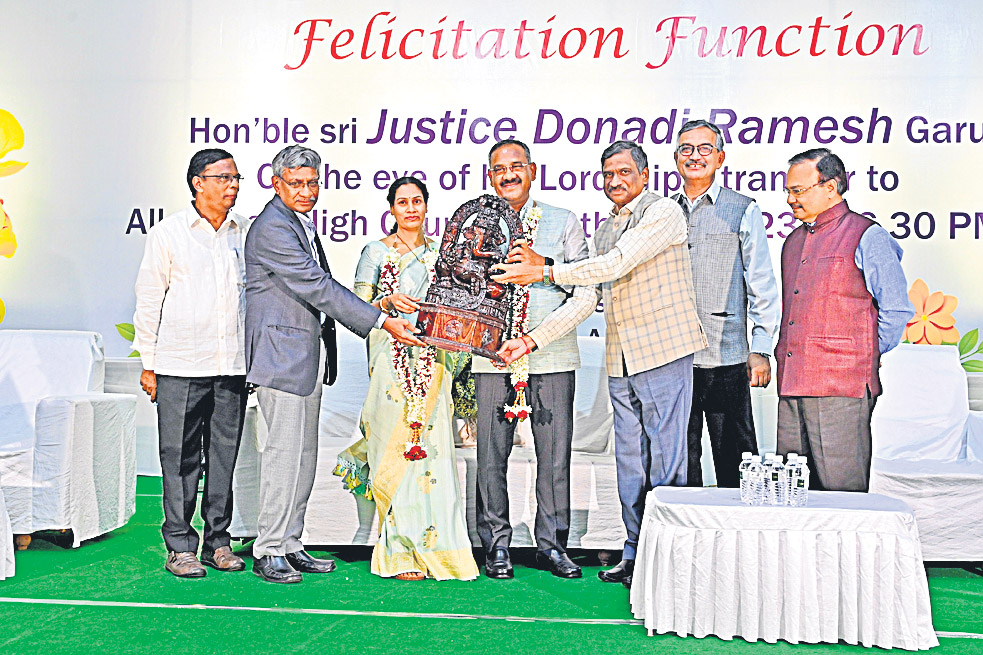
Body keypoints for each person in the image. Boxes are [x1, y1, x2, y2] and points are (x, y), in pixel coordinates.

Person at [494, 140, 706, 588]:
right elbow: (587, 295)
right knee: (629, 462)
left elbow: (615, 264)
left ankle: (668, 559)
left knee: (668, 463)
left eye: (625, 172)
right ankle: (633, 553)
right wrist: (530, 340)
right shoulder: (607, 228)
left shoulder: (663, 212)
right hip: (620, 357)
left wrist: (545, 270)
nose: (615, 181)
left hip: (663, 350)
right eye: (608, 174)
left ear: (645, 175)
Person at [245, 146, 423, 583]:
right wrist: (381, 320)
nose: (307, 191)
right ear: (276, 183)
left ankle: (290, 542)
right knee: (283, 456)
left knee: (303, 456)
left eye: (313, 183)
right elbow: (316, 285)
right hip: (281, 358)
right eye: (296, 183)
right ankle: (269, 548)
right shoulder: (272, 227)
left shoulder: (298, 221)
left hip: (304, 357)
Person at [335, 177, 478, 581]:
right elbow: (355, 307)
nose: (411, 208)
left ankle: (440, 550)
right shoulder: (375, 252)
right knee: (393, 446)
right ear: (392, 209)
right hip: (389, 361)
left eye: (417, 201)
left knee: (433, 452)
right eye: (403, 202)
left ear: (427, 206)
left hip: (435, 361)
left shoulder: (443, 255)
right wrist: (386, 301)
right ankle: (399, 551)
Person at [474, 139, 599, 580]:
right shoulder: (475, 225)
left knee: (554, 456)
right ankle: (496, 545)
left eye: (516, 166)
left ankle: (553, 545)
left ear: (532, 170)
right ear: (490, 177)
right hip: (492, 356)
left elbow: (587, 291)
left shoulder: (563, 221)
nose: (508, 174)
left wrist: (543, 264)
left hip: (552, 355)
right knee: (491, 455)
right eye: (498, 169)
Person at [133, 148, 250, 578]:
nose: (232, 185)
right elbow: (149, 300)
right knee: (179, 457)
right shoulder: (169, 233)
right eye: (223, 177)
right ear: (198, 182)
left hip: (232, 364)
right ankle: (180, 546)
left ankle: (219, 541)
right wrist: (149, 364)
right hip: (180, 364)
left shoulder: (246, 233)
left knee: (224, 457)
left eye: (236, 178)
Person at [775, 148, 913, 492]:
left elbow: (896, 310)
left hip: (841, 389)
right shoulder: (793, 242)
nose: (790, 199)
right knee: (792, 493)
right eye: (788, 190)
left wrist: (857, 356)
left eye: (798, 190)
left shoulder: (867, 235)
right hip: (792, 384)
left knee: (842, 495)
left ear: (831, 187)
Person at [671, 120, 780, 488]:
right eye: (686, 149)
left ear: (719, 158)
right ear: (675, 158)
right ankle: (684, 525)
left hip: (726, 354)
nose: (695, 156)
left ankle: (742, 525)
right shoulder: (663, 211)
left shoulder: (743, 208)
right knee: (680, 460)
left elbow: (761, 282)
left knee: (736, 460)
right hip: (674, 357)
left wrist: (761, 347)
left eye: (705, 148)